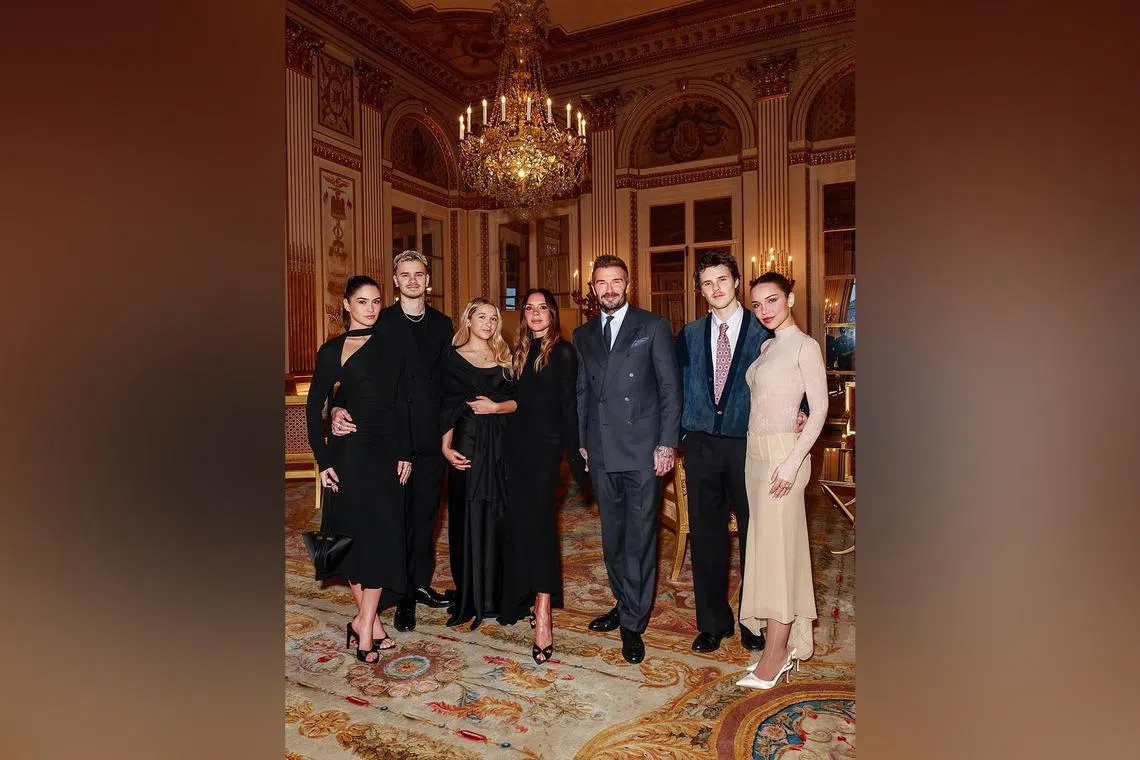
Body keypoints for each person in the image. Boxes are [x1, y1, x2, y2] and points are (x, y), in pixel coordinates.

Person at [675, 251, 808, 654]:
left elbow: (790, 374)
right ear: (700, 291)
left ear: (736, 282)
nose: (715, 288)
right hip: (700, 445)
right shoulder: (689, 333)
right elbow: (676, 385)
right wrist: (680, 435)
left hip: (749, 446)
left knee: (757, 535)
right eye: (707, 283)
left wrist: (799, 409)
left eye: (722, 280)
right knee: (706, 535)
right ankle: (713, 623)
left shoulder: (764, 328)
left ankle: (752, 619)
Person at [329, 251, 455, 633]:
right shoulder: (378, 322)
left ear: (428, 281)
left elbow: (454, 381)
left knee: (425, 518)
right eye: (405, 275)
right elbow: (350, 378)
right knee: (393, 519)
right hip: (388, 439)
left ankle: (418, 584)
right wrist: (335, 409)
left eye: (419, 274)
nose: (413, 280)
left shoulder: (443, 324)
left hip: (430, 437)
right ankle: (399, 598)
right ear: (396, 281)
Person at [573, 255, 682, 664]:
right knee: (612, 537)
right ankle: (623, 602)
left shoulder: (651, 326)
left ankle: (634, 624)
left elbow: (671, 389)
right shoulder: (583, 334)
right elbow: (583, 391)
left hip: (641, 450)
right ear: (593, 288)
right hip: (600, 449)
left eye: (616, 282)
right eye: (601, 283)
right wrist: (583, 441)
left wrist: (666, 444)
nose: (609, 289)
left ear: (627, 285)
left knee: (639, 539)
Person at [305, 275, 413, 663]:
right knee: (350, 537)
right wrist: (324, 459)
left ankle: (363, 625)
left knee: (381, 537)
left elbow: (402, 401)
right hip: (349, 453)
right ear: (347, 306)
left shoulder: (393, 345)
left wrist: (406, 452)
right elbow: (315, 405)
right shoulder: (332, 350)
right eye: (362, 301)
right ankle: (370, 625)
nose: (370, 308)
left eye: (376, 301)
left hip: (385, 451)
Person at [735, 272, 828, 690]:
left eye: (772, 300)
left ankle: (778, 653)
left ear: (790, 297)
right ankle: (778, 646)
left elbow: (821, 409)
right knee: (766, 552)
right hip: (756, 456)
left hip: (783, 459)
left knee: (780, 558)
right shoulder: (767, 345)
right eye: (757, 304)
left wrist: (792, 462)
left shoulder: (804, 346)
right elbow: (776, 401)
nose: (764, 310)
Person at [501, 289, 588, 665]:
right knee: (520, 525)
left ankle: (544, 611)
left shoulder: (563, 351)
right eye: (530, 309)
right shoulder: (518, 352)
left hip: (545, 451)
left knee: (541, 527)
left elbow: (568, 407)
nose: (536, 314)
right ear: (524, 315)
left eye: (543, 308)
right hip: (514, 450)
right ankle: (523, 597)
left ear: (553, 314)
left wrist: (576, 453)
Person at [440, 297, 518, 630]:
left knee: (500, 516)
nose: (487, 323)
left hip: (502, 446)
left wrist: (497, 408)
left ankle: (498, 594)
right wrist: (444, 445)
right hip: (467, 443)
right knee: (467, 515)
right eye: (481, 316)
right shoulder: (452, 359)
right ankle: (471, 594)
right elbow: (444, 404)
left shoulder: (507, 358)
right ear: (468, 320)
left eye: (493, 318)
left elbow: (522, 402)